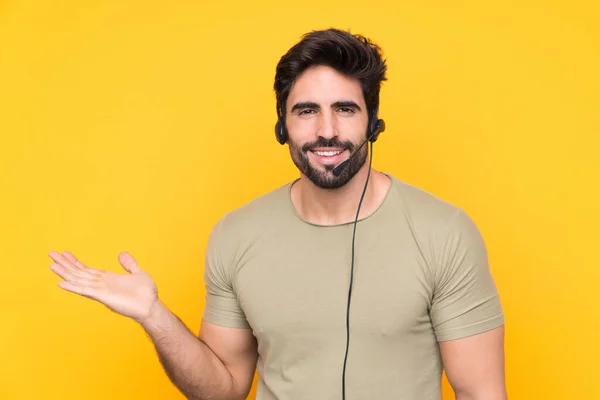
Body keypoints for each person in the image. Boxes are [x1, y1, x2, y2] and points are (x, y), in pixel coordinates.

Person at [48, 28, 507, 400]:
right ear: (281, 126)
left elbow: (481, 392)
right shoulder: (236, 234)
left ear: (373, 122)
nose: (327, 131)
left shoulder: (444, 233)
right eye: (306, 111)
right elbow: (222, 390)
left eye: (345, 109)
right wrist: (154, 316)